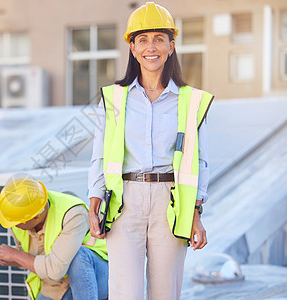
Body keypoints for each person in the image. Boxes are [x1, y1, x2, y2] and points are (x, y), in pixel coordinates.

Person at [87, 2, 213, 300]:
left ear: (171, 45)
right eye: (142, 39)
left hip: (170, 203)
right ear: (132, 48)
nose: (151, 47)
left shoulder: (191, 101)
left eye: (159, 39)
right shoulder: (113, 98)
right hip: (124, 202)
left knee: (165, 293)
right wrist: (94, 201)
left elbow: (202, 161)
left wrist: (196, 212)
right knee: (124, 293)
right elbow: (99, 156)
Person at [0, 177, 109, 300]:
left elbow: (54, 270)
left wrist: (15, 254)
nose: (13, 226)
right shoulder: (21, 216)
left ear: (35, 217)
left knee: (78, 257)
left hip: (97, 277)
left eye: (17, 222)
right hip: (57, 287)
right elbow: (29, 259)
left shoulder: (73, 214)